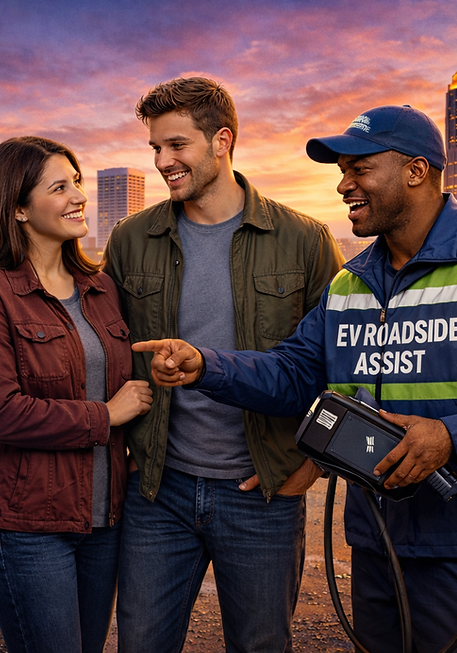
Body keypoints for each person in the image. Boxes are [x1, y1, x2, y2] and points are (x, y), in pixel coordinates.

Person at [134, 105, 457, 653]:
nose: (343, 185)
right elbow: (292, 374)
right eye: (341, 171)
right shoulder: (349, 284)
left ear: (416, 172)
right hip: (381, 544)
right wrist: (206, 365)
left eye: (359, 170)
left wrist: (451, 438)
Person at [103, 77, 344, 652]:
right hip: (158, 492)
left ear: (222, 141)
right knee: (140, 643)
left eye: (176, 145)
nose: (163, 162)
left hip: (261, 494)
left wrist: (314, 462)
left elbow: (344, 363)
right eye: (155, 149)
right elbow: (108, 353)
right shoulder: (131, 239)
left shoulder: (304, 239)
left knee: (261, 645)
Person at [0, 136, 153, 653]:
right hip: (26, 524)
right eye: (59, 187)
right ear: (18, 208)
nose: (78, 196)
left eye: (78, 182)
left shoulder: (102, 288)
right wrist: (105, 416)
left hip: (103, 520)